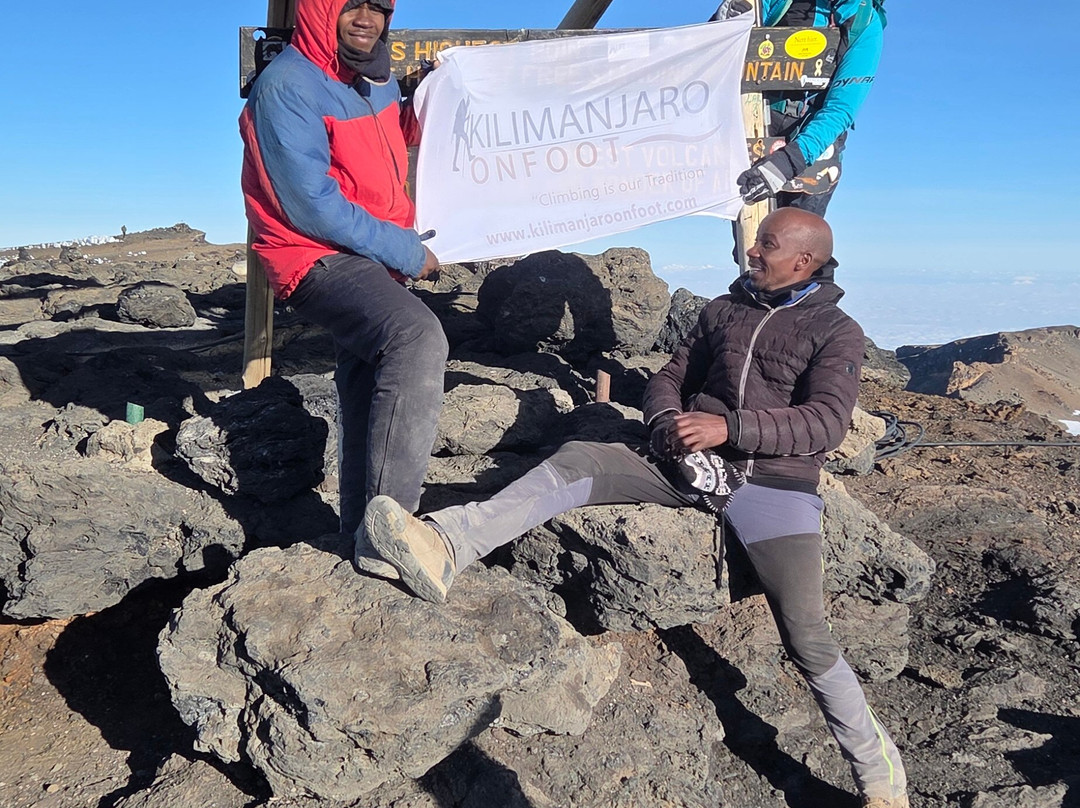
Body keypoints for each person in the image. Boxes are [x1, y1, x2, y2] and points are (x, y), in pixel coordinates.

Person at [363, 209, 909, 808]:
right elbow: (668, 377)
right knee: (580, 459)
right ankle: (445, 545)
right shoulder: (722, 310)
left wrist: (729, 427)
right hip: (686, 462)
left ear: (803, 261)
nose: (752, 251)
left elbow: (825, 423)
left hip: (775, 485)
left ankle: (880, 780)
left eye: (767, 244)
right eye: (756, 242)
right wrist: (667, 420)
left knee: (806, 636)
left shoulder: (835, 330)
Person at [240, 0, 447, 577]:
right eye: (351, 3)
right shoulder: (286, 86)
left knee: (368, 381)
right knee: (415, 336)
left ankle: (359, 536)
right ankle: (393, 533)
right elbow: (311, 205)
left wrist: (431, 98)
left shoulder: (375, 80)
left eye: (378, 7)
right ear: (320, 8)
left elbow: (387, 146)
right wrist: (409, 251)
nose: (366, 18)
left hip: (368, 255)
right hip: (312, 255)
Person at [714, 0, 886, 214]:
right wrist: (722, 25)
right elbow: (727, 48)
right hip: (756, 123)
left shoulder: (865, 22)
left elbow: (841, 109)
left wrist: (788, 163)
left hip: (815, 144)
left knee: (796, 231)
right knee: (751, 230)